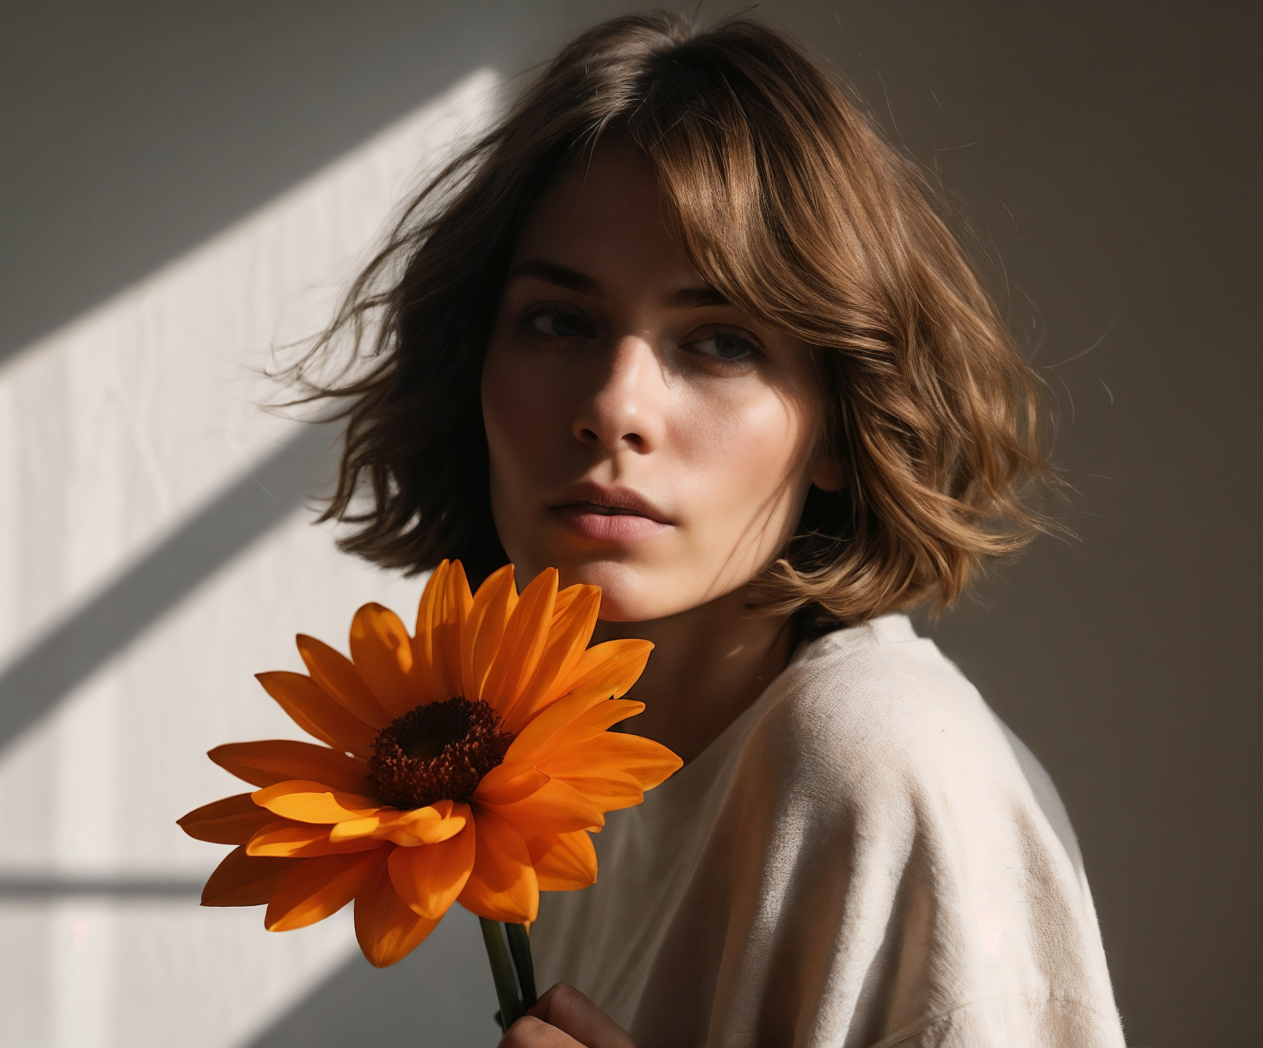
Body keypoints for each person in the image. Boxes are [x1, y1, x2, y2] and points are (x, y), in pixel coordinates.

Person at [290, 12, 1123, 1047]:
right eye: (559, 321)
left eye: (721, 341)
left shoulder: (872, 762)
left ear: (838, 420)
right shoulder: (575, 766)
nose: (614, 405)